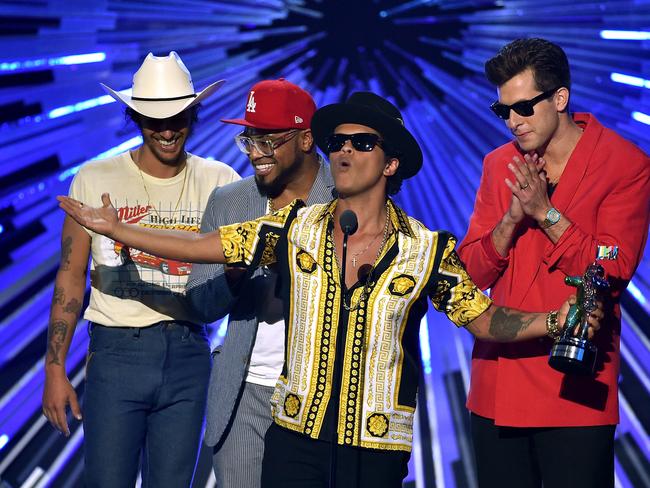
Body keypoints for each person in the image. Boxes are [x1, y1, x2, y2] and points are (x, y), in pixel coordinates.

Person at [57, 91, 602, 488]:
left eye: (361, 142)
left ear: (389, 163)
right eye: (337, 141)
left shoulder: (426, 249)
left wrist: (555, 321)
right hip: (294, 441)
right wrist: (116, 230)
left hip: (376, 449)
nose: (343, 151)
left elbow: (482, 320)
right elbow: (206, 247)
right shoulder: (295, 228)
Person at [457, 38, 650, 488]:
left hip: (575, 387)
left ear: (560, 97)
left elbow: (613, 268)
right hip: (497, 383)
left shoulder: (625, 165)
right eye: (503, 111)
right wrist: (510, 220)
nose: (513, 122)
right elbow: (471, 274)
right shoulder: (499, 165)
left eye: (524, 107)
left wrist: (545, 213)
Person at [41, 51, 240, 487]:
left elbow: (237, 268)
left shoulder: (221, 180)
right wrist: (55, 370)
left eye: (178, 117)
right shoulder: (95, 179)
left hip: (189, 351)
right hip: (117, 354)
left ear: (193, 113)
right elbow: (71, 275)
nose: (167, 130)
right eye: (154, 119)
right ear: (135, 117)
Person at [185, 78, 333, 487]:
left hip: (316, 399)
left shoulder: (345, 200)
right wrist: (233, 277)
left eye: (267, 141)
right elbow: (200, 303)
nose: (255, 154)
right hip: (242, 393)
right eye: (249, 140)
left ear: (306, 139)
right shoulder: (229, 201)